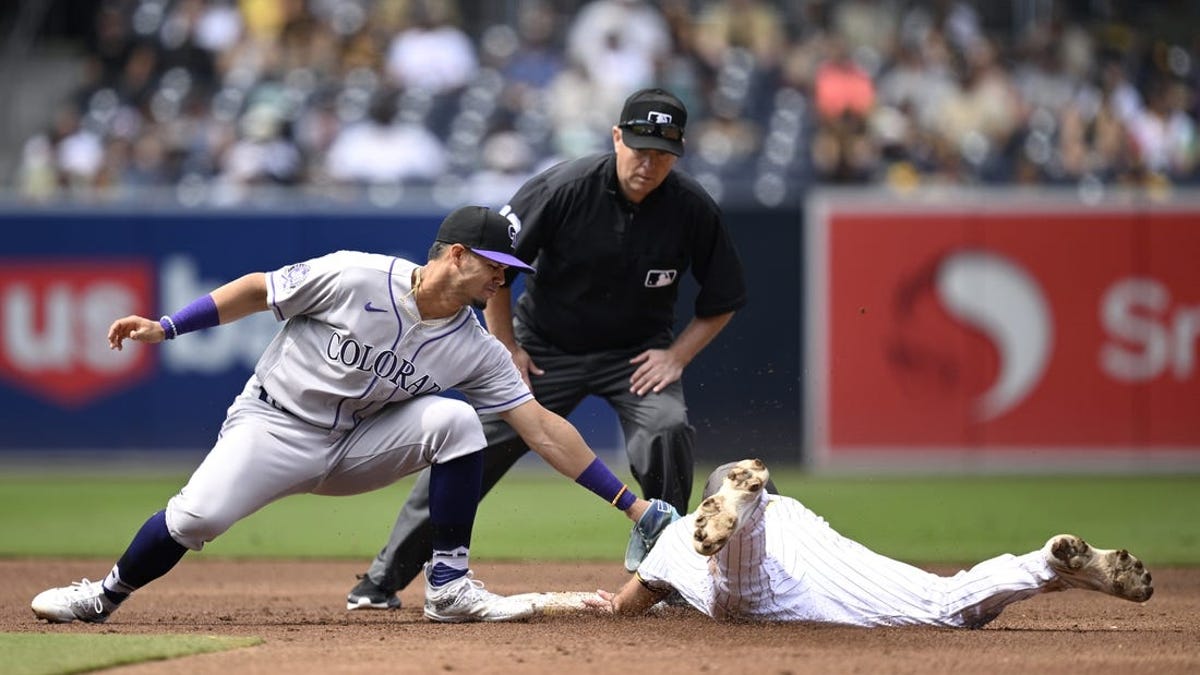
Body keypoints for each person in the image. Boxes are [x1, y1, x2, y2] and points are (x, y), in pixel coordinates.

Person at [30, 205, 661, 625]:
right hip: (273, 426)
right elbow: (258, 289)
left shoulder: (474, 346)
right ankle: (103, 596)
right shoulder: (356, 275)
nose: (506, 280)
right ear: (458, 255)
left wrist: (636, 508)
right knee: (196, 516)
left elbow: (543, 428)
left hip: (360, 444)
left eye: (512, 271)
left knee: (458, 423)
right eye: (498, 266)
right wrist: (168, 326)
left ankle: (448, 586)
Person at [346, 87, 747, 610]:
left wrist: (677, 356)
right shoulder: (564, 187)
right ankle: (382, 579)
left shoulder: (692, 208)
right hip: (543, 350)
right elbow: (498, 266)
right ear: (617, 137)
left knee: (665, 430)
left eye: (663, 154)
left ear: (678, 154)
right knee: (471, 445)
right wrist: (505, 345)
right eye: (640, 148)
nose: (649, 164)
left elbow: (725, 297)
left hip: (635, 356)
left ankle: (663, 575)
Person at [581, 459, 1154, 626]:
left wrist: (613, 606)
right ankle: (1044, 564)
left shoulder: (680, 535)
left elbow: (626, 606)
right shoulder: (796, 510)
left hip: (749, 581)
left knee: (738, 590)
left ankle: (743, 512)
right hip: (813, 556)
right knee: (944, 603)